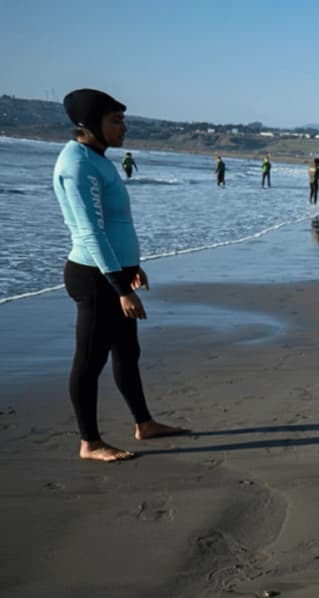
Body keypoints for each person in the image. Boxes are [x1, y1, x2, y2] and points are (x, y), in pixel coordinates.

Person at [53, 89, 186, 462]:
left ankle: (144, 423)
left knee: (127, 352)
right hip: (95, 277)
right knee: (89, 361)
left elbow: (114, 224)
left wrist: (132, 268)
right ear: (89, 124)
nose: (124, 127)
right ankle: (90, 442)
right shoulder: (77, 165)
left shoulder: (96, 159)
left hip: (115, 273)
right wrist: (119, 287)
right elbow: (90, 232)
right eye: (116, 120)